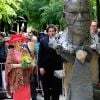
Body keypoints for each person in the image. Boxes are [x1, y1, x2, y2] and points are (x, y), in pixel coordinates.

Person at [38, 24, 62, 100]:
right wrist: (41, 67)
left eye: (53, 31)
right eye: (50, 31)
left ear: (55, 32)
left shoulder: (60, 41)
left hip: (57, 68)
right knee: (46, 90)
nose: (51, 32)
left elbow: (62, 54)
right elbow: (40, 55)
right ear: (47, 32)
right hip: (45, 69)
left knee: (56, 89)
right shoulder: (43, 41)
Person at [5, 34, 32, 100]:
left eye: (21, 41)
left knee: (26, 97)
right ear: (14, 43)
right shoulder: (11, 52)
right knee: (18, 97)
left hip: (25, 78)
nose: (20, 43)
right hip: (16, 80)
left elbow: (29, 64)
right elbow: (8, 65)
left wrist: (16, 65)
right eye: (18, 41)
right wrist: (21, 65)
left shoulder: (25, 51)